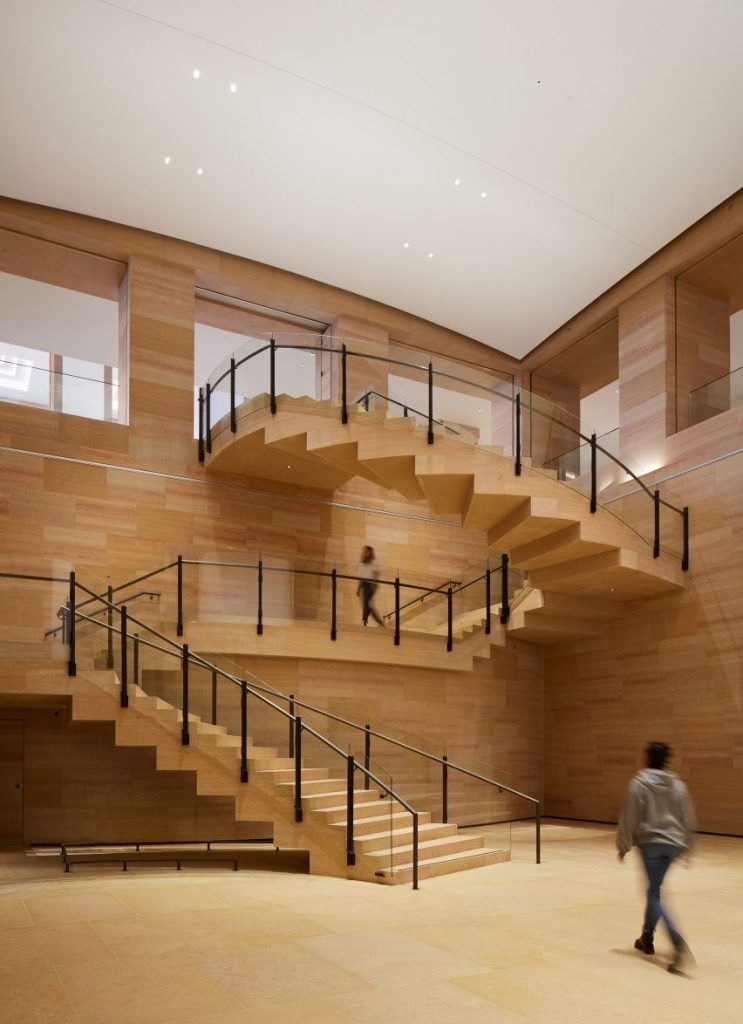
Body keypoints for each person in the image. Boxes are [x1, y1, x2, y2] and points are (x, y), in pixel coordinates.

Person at [616, 741, 696, 973]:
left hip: (650, 844)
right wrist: (688, 847)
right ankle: (646, 937)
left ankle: (677, 943)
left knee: (653, 894)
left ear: (649, 757)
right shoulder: (678, 785)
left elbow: (629, 815)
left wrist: (623, 845)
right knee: (655, 890)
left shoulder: (639, 783)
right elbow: (687, 816)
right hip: (673, 844)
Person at [357, 545, 385, 627]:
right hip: (364, 584)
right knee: (366, 605)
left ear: (370, 552)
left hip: (370, 585)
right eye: (364, 551)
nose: (365, 552)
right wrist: (358, 588)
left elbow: (376, 573)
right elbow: (361, 576)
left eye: (366, 551)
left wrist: (374, 583)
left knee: (366, 604)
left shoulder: (373, 562)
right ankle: (369, 621)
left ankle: (365, 621)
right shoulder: (362, 562)